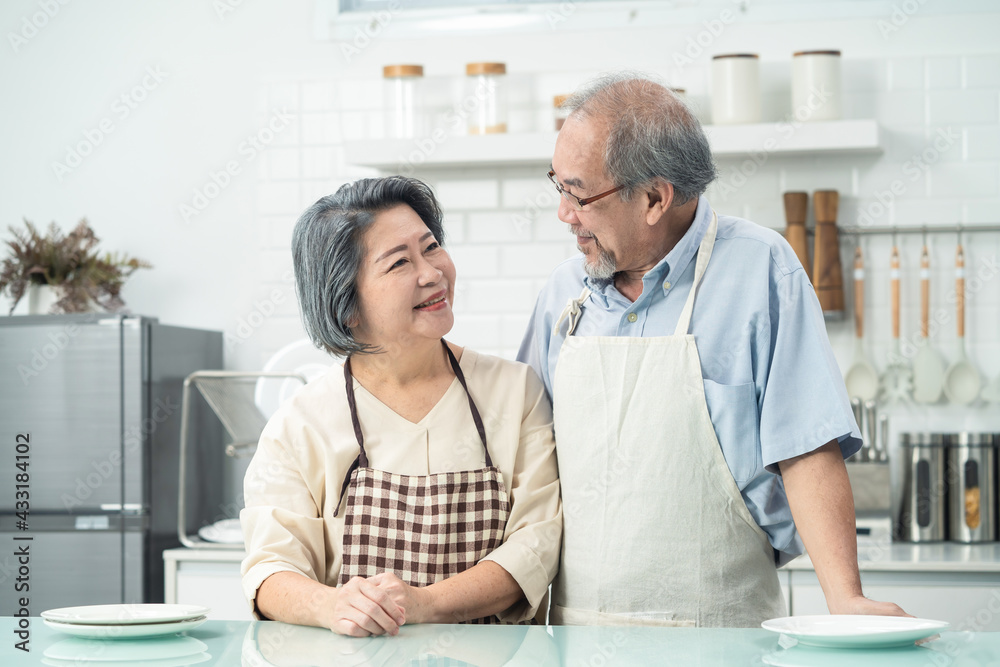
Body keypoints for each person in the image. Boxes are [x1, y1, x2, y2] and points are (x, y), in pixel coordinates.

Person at [518, 72, 908, 627]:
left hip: (721, 632)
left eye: (578, 194)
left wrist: (845, 597)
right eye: (557, 186)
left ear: (655, 197)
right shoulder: (563, 292)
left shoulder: (761, 270)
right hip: (576, 635)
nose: (564, 213)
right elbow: (524, 458)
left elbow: (806, 446)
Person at [241, 176, 562, 637]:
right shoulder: (302, 423)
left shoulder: (515, 391)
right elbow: (269, 569)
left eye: (431, 248)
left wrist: (423, 603)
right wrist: (332, 605)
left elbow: (536, 545)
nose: (432, 273)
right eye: (399, 263)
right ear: (347, 305)